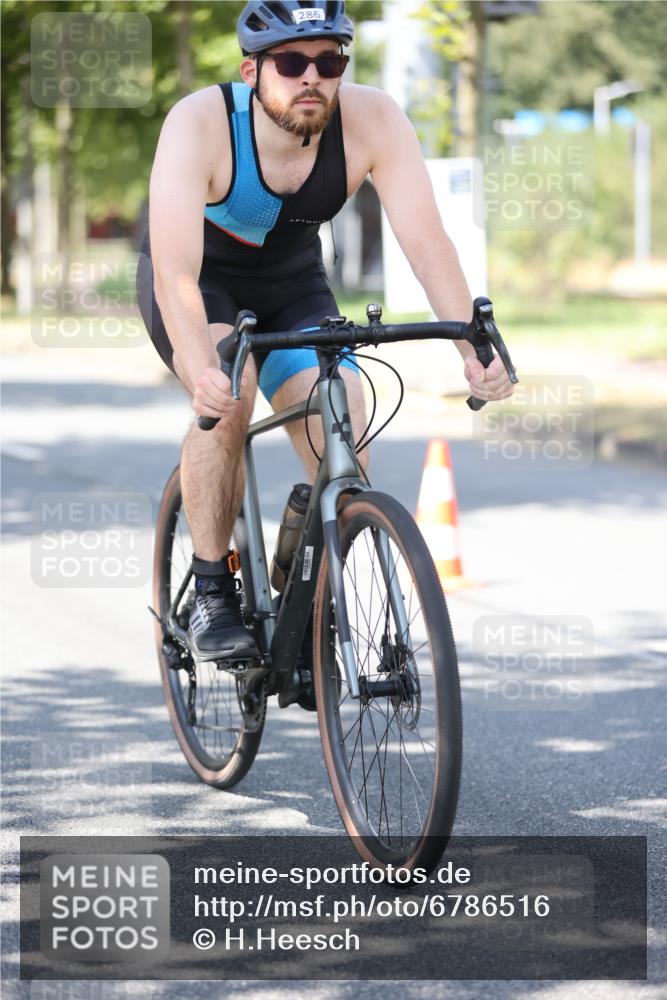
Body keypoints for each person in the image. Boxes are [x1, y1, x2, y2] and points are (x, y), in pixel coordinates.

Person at [137, 0, 514, 662]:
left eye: (329, 60)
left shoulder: (373, 120)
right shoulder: (200, 123)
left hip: (291, 285)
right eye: (290, 62)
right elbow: (174, 276)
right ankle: (209, 588)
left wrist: (471, 345)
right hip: (201, 284)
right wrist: (204, 375)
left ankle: (299, 584)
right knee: (230, 397)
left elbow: (425, 241)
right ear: (252, 71)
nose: (311, 77)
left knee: (346, 414)